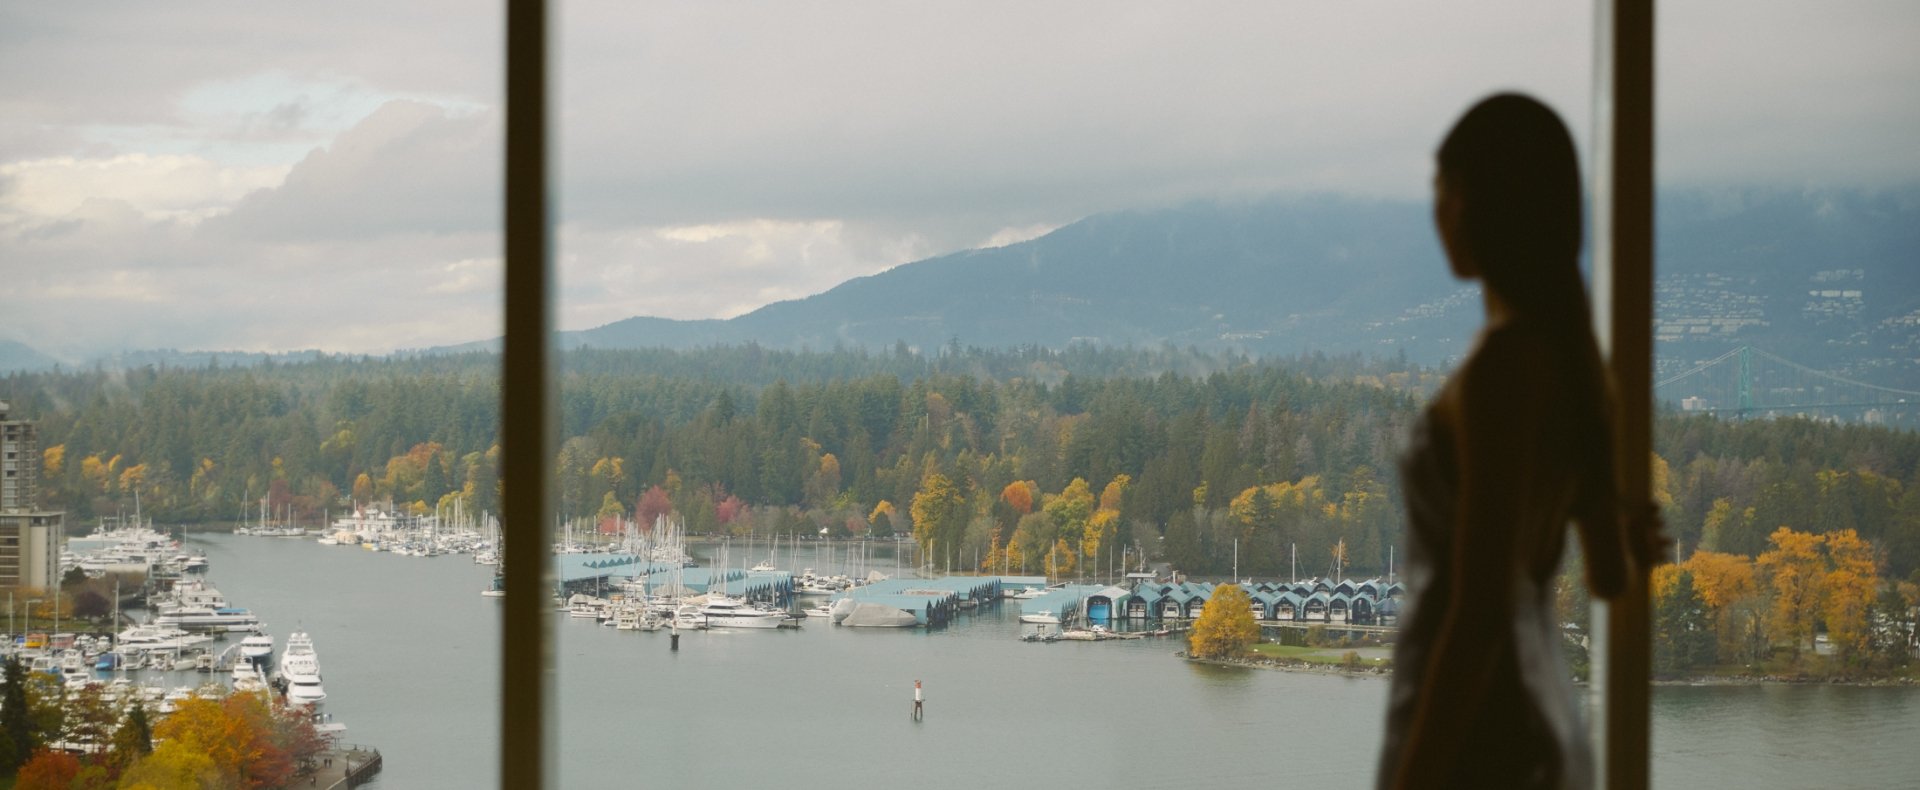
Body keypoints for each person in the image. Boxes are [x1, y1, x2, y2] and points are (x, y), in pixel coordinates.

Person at [1375, 93, 1663, 789]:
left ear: (1485, 204)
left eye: (1446, 187)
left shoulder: (1502, 371)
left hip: (1480, 736)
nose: (1437, 210)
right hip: (1542, 714)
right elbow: (1609, 575)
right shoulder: (1573, 366)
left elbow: (1479, 608)